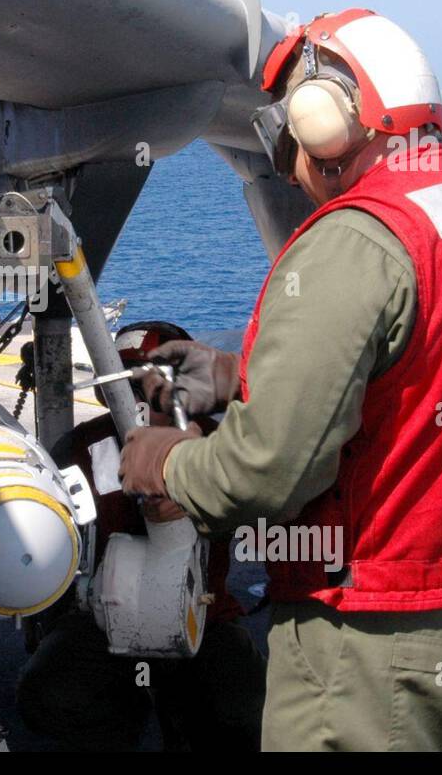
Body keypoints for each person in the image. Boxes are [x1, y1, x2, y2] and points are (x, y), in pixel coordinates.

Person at [119, 10, 442, 751]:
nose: (286, 155)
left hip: (364, 637)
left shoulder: (355, 240)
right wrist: (240, 374)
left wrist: (162, 462)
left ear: (326, 124)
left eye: (289, 127)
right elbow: (422, 366)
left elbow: (260, 477)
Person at [16, 321, 265, 751]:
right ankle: (119, 728)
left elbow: (265, 511)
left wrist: (201, 504)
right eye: (130, 387)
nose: (141, 403)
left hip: (205, 617)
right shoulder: (80, 449)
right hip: (101, 619)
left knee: (241, 711)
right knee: (53, 696)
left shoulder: (221, 445)